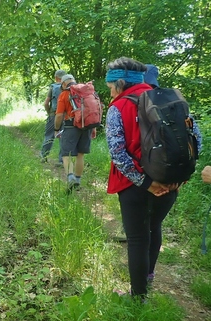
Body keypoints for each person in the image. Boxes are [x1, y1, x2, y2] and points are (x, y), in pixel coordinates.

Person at [104, 57, 199, 299]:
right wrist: (179, 176)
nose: (110, 92)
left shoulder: (118, 107)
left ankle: (138, 297)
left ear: (120, 84)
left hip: (135, 185)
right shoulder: (171, 100)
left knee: (137, 239)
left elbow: (117, 152)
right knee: (154, 228)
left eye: (110, 87)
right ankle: (148, 279)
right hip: (169, 182)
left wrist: (146, 183)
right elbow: (194, 139)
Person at [54, 74, 96, 192]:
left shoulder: (64, 94)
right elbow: (92, 111)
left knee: (66, 154)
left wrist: (56, 129)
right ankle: (77, 180)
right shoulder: (86, 92)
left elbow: (59, 115)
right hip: (87, 126)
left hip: (70, 126)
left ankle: (71, 177)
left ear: (63, 84)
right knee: (80, 154)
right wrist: (93, 128)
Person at [41, 69, 67, 163]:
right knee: (64, 138)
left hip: (54, 115)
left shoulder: (53, 87)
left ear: (56, 77)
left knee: (49, 136)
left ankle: (43, 157)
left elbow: (46, 103)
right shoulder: (69, 87)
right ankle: (61, 160)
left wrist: (49, 113)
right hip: (66, 116)